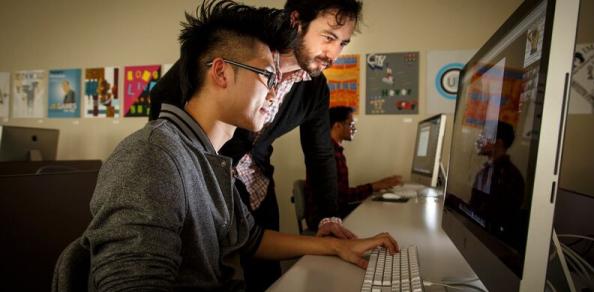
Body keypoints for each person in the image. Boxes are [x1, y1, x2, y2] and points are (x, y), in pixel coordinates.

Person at [76, 1, 398, 291]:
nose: (275, 96)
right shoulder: (152, 159)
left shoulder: (212, 168)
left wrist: (333, 239)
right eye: (268, 78)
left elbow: (252, 237)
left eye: (277, 80)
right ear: (220, 72)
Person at [149, 1, 364, 290]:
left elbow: (319, 152)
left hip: (257, 185)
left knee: (265, 274)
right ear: (296, 21)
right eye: (328, 37)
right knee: (197, 264)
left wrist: (329, 217)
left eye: (342, 43)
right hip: (207, 177)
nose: (334, 54)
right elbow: (165, 99)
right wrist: (172, 165)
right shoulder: (243, 50)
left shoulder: (313, 87)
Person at [305, 106, 402, 220]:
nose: (354, 129)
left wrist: (376, 185)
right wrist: (374, 186)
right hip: (325, 218)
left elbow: (340, 194)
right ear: (337, 125)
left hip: (335, 210)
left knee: (379, 209)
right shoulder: (328, 154)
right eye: (351, 124)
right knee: (381, 213)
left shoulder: (335, 151)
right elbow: (340, 195)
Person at [469, 121, 526, 250]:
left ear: (498, 143)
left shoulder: (510, 177)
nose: (479, 140)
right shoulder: (485, 172)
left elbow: (494, 219)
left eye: (484, 136)